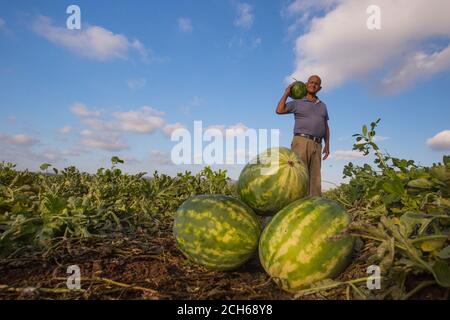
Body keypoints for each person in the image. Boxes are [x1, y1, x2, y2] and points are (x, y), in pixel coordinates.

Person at [275, 75, 330, 197]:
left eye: (316, 83)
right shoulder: (298, 102)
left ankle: (313, 205)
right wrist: (286, 93)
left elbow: (325, 126)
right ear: (306, 84)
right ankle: (295, 203)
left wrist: (327, 145)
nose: (313, 85)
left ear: (319, 88)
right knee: (299, 174)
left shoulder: (322, 105)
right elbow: (279, 110)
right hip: (301, 141)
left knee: (315, 178)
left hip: (317, 144)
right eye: (311, 82)